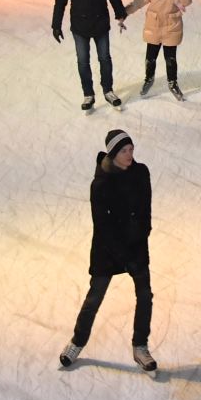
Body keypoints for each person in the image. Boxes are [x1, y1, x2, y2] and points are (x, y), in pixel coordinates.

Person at [60, 129, 156, 370]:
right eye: (124, 151)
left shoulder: (141, 173)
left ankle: (140, 346)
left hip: (135, 244)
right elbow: (102, 225)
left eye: (131, 149)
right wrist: (123, 257)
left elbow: (146, 209)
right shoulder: (101, 183)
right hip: (108, 248)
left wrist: (141, 233)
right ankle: (77, 341)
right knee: (94, 297)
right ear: (113, 153)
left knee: (145, 295)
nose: (129, 154)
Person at [52, 0, 129, 111]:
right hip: (80, 27)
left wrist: (120, 13)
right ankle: (88, 94)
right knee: (83, 60)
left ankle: (108, 90)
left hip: (100, 24)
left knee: (105, 58)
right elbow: (60, 1)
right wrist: (56, 25)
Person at [134, 0, 191, 100]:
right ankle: (149, 79)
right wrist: (123, 13)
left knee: (170, 59)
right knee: (150, 58)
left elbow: (187, 1)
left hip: (171, 30)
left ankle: (172, 83)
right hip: (153, 30)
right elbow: (138, 2)